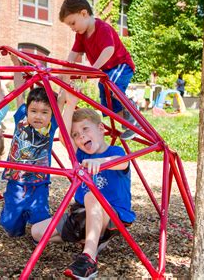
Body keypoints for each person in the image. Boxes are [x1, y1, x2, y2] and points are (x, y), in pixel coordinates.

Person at [31, 91, 136, 279]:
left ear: (101, 129)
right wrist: (69, 104)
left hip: (113, 216)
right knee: (37, 232)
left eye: (86, 130)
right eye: (76, 135)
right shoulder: (81, 155)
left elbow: (123, 162)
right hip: (82, 214)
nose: (81, 137)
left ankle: (89, 258)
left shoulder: (115, 151)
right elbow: (64, 135)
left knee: (91, 195)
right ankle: (94, 238)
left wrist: (103, 162)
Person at [59, 0, 138, 140]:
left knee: (112, 87)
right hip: (106, 70)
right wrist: (64, 71)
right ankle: (128, 123)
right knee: (107, 101)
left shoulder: (102, 28)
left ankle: (134, 113)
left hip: (120, 65)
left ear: (84, 13)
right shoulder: (81, 35)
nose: (72, 28)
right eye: (69, 25)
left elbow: (109, 51)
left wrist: (91, 69)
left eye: (73, 23)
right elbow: (73, 55)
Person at [0, 66, 66, 237]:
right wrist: (15, 63)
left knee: (41, 216)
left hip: (39, 183)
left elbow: (61, 100)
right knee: (10, 223)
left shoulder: (52, 126)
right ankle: (16, 228)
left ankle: (42, 234)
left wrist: (65, 77)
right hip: (16, 180)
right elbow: (18, 89)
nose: (38, 116)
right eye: (34, 111)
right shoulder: (21, 118)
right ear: (27, 110)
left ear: (52, 114)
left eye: (45, 112)